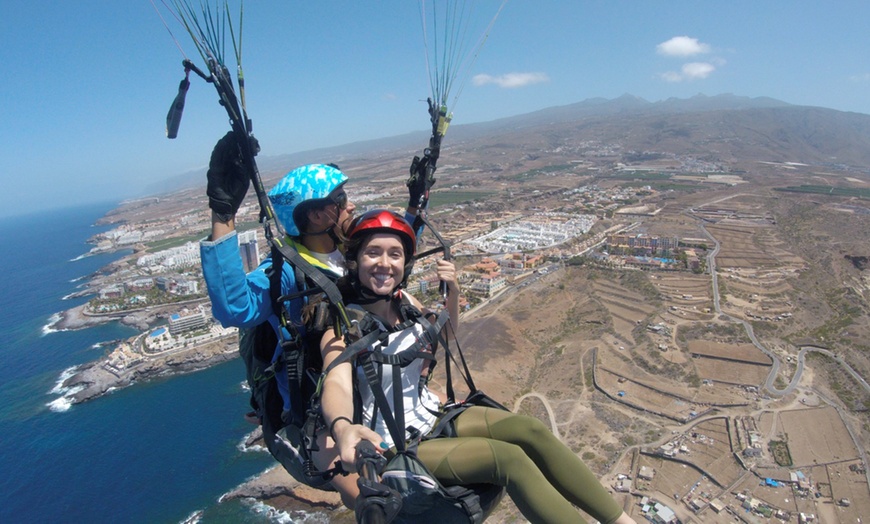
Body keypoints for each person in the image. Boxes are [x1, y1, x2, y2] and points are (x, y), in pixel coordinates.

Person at [318, 209, 637, 524]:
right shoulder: (343, 326)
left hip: (433, 415)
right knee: (508, 460)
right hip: (396, 446)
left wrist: (452, 293)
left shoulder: (405, 304)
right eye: (373, 252)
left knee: (530, 430)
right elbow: (338, 383)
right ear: (354, 260)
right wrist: (343, 428)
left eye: (395, 254)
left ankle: (622, 520)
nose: (385, 263)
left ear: (406, 263)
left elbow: (443, 336)